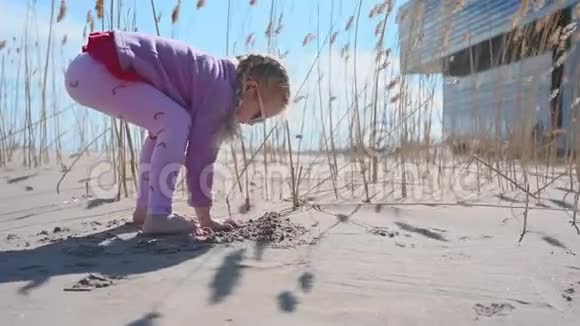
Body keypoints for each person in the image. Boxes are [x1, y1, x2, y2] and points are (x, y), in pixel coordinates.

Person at [65, 31, 290, 236]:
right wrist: (206, 218)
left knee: (164, 127)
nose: (252, 124)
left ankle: (145, 210)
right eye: (258, 115)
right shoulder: (221, 94)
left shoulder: (216, 77)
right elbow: (200, 158)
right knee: (176, 121)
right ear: (250, 89)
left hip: (86, 70)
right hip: (101, 68)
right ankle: (159, 216)